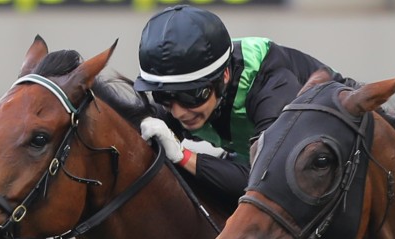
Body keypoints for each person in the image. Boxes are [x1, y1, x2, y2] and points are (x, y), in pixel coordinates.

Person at [133, 5, 354, 201]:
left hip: (346, 172)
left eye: (192, 95)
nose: (179, 112)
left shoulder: (272, 88)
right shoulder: (192, 94)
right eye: (164, 97)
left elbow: (268, 183)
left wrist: (184, 156)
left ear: (225, 75)